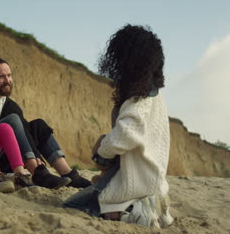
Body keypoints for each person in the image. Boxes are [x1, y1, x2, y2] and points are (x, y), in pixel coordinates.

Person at [67, 24, 173, 228]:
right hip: (149, 177)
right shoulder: (153, 95)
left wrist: (102, 152)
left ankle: (136, 210)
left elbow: (126, 134)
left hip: (138, 179)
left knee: (76, 206)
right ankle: (147, 203)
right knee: (88, 198)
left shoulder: (138, 101)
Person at [0, 58, 92, 189]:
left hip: (15, 154)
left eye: (9, 75)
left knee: (38, 125)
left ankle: (68, 173)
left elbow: (23, 130)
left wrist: (36, 155)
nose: (7, 81)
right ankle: (37, 172)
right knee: (13, 120)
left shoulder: (11, 105)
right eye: (1, 77)